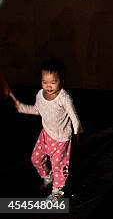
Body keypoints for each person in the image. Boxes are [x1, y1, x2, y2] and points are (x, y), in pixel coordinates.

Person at [7, 59, 83, 201]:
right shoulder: (40, 95)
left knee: (58, 165)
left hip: (61, 139)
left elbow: (74, 116)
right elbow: (38, 110)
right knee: (35, 158)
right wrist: (20, 106)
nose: (48, 86)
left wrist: (78, 132)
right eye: (44, 82)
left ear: (62, 81)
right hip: (46, 134)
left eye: (53, 82)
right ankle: (48, 177)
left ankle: (57, 191)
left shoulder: (65, 99)